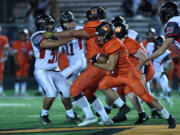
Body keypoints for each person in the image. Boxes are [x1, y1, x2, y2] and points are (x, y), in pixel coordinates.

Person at [44, 7, 130, 126]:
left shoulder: (93, 25)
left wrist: (51, 34)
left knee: (74, 90)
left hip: (96, 66)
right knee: (88, 94)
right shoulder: (106, 25)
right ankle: (106, 117)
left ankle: (90, 116)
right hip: (103, 64)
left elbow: (73, 33)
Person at [92, 22, 176, 128]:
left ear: (109, 35)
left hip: (129, 75)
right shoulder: (110, 43)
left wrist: (95, 63)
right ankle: (123, 107)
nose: (98, 37)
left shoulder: (121, 44)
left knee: (145, 97)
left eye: (101, 35)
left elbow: (110, 66)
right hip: (119, 74)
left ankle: (168, 116)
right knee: (103, 84)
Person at [30, 14, 79, 125]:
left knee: (66, 93)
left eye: (51, 23)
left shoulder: (50, 33)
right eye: (48, 24)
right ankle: (44, 115)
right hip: (42, 71)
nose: (51, 26)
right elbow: (49, 43)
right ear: (42, 25)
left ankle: (70, 115)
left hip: (55, 69)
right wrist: (71, 37)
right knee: (51, 93)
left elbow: (60, 34)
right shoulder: (37, 35)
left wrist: (73, 31)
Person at [138, 2, 180, 69]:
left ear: (169, 13)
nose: (161, 15)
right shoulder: (177, 20)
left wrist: (145, 59)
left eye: (163, 13)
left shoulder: (172, 22)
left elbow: (163, 49)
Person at [57, 11, 87, 84]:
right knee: (74, 87)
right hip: (70, 60)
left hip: (80, 60)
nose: (67, 25)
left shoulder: (79, 29)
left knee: (60, 77)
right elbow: (49, 35)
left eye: (69, 22)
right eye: (65, 22)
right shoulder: (59, 30)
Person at [152, 35, 173, 106]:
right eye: (158, 45)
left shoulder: (167, 52)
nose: (159, 47)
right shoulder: (150, 47)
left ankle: (165, 97)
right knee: (144, 88)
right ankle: (142, 100)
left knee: (166, 89)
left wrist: (165, 73)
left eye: (160, 45)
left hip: (159, 71)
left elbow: (170, 65)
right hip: (149, 71)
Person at [12, 29, 33, 96]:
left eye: (24, 35)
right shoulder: (16, 43)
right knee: (18, 77)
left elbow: (30, 55)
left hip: (26, 63)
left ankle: (23, 92)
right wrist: (16, 63)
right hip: (19, 62)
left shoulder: (29, 43)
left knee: (24, 77)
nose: (22, 36)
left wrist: (30, 60)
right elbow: (15, 54)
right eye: (21, 35)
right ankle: (16, 92)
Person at [0, 26, 12, 96]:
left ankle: (0, 90)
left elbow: (7, 49)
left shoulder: (3, 38)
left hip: (0, 59)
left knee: (0, 76)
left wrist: (7, 55)